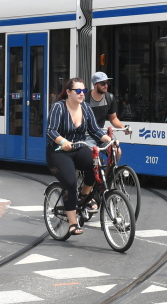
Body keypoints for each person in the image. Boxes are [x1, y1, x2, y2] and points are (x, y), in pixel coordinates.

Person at [46, 78, 117, 237]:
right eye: (78, 91)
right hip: (58, 151)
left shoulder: (85, 107)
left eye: (83, 91)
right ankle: (72, 223)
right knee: (70, 183)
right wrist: (63, 141)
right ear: (69, 92)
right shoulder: (59, 107)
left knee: (96, 164)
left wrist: (110, 141)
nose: (81, 94)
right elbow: (51, 131)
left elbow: (95, 130)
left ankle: (84, 197)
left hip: (79, 148)